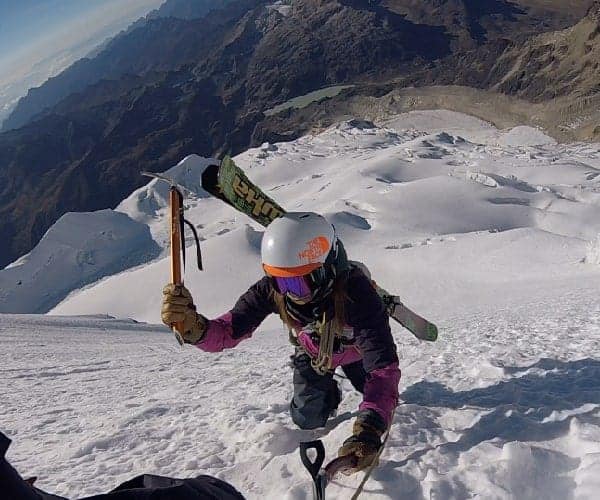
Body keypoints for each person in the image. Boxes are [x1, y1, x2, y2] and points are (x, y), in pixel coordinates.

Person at [161, 212, 400, 472]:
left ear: (326, 270)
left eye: (298, 282)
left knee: (378, 397)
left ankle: (343, 386)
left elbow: (383, 369)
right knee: (307, 419)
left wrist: (368, 430)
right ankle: (329, 393)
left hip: (356, 354)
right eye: (280, 280)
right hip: (314, 354)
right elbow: (228, 331)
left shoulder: (358, 293)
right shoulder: (271, 290)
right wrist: (193, 327)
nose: (288, 293)